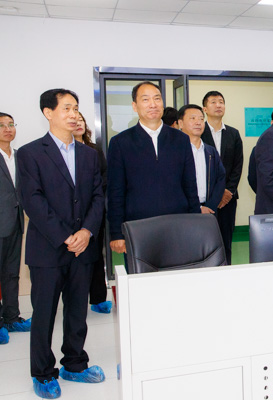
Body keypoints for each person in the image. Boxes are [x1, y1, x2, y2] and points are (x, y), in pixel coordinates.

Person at [17, 89, 106, 398]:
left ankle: (75, 364)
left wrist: (87, 232)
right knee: (44, 314)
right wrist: (66, 236)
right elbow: (33, 201)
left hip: (84, 247)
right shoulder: (30, 153)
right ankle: (42, 373)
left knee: (77, 311)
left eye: (76, 108)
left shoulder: (88, 154)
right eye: (66, 108)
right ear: (48, 112)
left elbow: (97, 196)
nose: (73, 114)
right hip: (48, 249)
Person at [107, 81, 201, 260]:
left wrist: (196, 223)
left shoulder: (181, 140)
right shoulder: (121, 143)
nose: (153, 104)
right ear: (135, 106)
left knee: (178, 274)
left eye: (157, 99)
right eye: (145, 99)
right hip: (138, 228)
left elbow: (190, 185)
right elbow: (115, 191)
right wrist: (116, 233)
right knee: (140, 276)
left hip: (177, 226)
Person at [74, 113, 112, 314]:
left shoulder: (94, 150)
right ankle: (76, 299)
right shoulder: (63, 151)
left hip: (95, 210)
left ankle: (98, 299)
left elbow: (105, 176)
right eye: (75, 121)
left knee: (96, 255)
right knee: (75, 257)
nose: (78, 124)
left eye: (81, 120)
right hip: (72, 212)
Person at [201, 91, 243, 265]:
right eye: (213, 102)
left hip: (228, 199)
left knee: (226, 241)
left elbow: (238, 165)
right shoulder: (199, 132)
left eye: (221, 102)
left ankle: (227, 272)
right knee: (204, 242)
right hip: (205, 200)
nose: (218, 105)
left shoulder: (233, 133)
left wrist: (228, 191)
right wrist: (215, 195)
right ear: (205, 109)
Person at [0, 112, 28, 345]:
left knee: (11, 273)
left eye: (11, 124)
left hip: (16, 222)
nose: (8, 129)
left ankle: (11, 317)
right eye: (2, 125)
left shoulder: (20, 156)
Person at [177, 104, 226, 215]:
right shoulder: (175, 151)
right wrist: (197, 207)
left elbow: (220, 179)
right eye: (193, 118)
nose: (198, 122)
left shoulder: (211, 151)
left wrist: (210, 206)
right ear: (181, 123)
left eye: (201, 119)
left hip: (209, 210)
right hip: (183, 211)